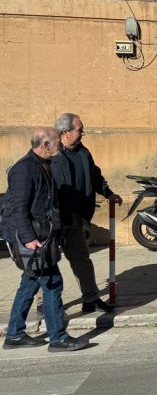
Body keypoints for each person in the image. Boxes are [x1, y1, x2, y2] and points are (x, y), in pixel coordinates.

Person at [2, 128, 88, 352]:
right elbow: (18, 208)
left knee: (29, 283)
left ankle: (14, 334)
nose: (60, 145)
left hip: (43, 235)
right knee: (52, 284)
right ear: (45, 144)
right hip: (32, 238)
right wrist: (29, 239)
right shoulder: (24, 169)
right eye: (57, 142)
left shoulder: (43, 164)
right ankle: (58, 338)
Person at [50, 112, 122, 310]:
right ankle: (45, 304)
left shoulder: (84, 152)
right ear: (66, 132)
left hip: (76, 218)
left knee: (82, 259)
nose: (83, 133)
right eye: (80, 130)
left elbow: (96, 176)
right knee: (47, 262)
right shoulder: (51, 152)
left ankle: (90, 298)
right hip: (52, 220)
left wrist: (108, 193)